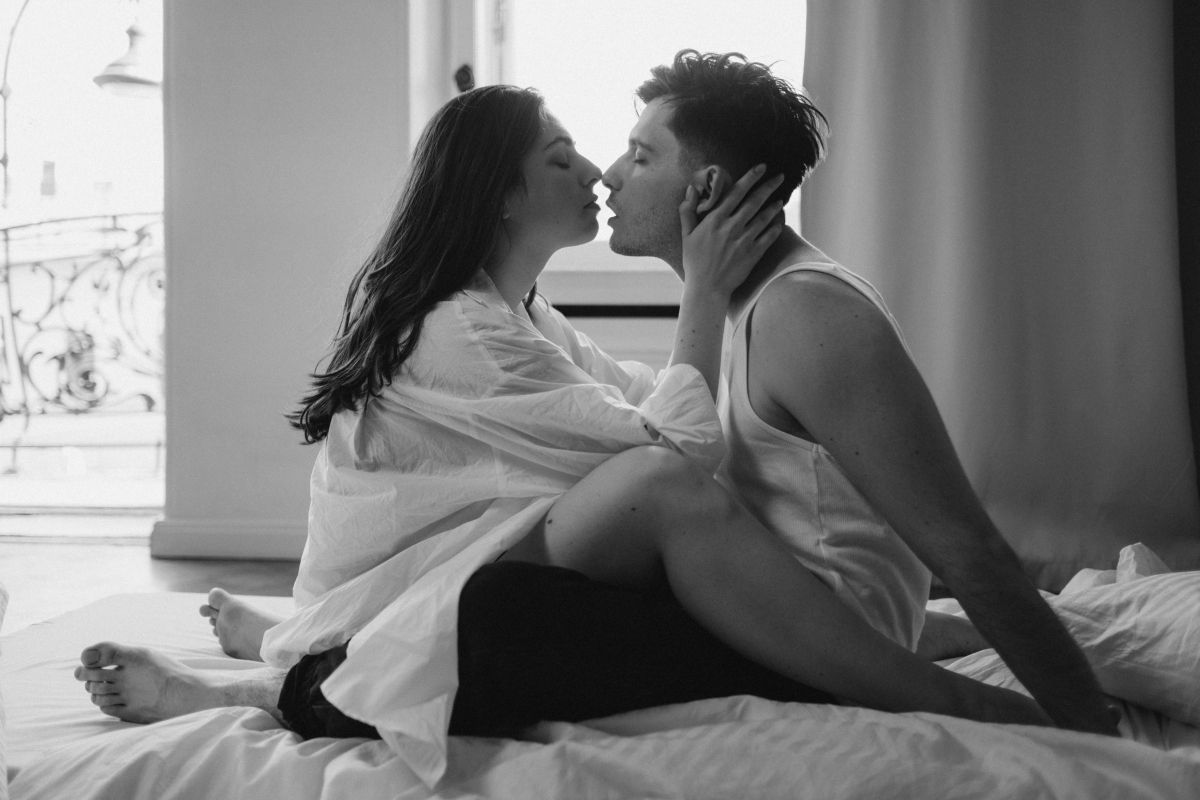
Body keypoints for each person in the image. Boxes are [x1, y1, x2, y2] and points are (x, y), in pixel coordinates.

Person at [74, 84, 1051, 750]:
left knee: (623, 520)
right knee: (644, 496)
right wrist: (703, 295)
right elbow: (674, 450)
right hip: (412, 596)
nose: (597, 172)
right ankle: (282, 666)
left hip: (444, 582)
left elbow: (636, 404)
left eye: (627, 153)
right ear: (500, 199)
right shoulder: (467, 329)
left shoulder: (526, 314)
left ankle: (288, 645)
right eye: (563, 157)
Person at [597, 49, 1116, 735]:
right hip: (764, 635)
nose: (608, 175)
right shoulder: (732, 306)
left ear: (708, 187)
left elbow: (965, 548)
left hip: (813, 672)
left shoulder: (804, 313)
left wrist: (1092, 731)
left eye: (639, 157)